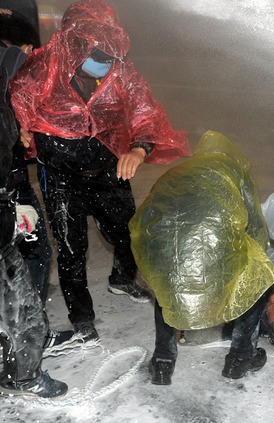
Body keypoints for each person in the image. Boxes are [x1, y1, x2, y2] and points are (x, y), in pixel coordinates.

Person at [9, 0, 191, 342]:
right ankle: (82, 318)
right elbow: (18, 102)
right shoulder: (44, 65)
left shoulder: (121, 69)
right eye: (98, 55)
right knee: (70, 248)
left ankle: (121, 279)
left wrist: (139, 148)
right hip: (59, 174)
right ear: (76, 45)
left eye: (109, 56)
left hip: (107, 165)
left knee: (127, 233)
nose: (103, 64)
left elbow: (145, 112)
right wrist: (18, 127)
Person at [129, 131, 274, 385]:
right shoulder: (236, 172)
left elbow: (150, 211)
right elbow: (255, 228)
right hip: (207, 237)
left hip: (161, 238)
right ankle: (242, 356)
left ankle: (163, 360)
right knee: (254, 281)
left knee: (168, 288)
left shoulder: (184, 170)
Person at [0, 55, 67, 398]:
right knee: (21, 301)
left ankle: (22, 353)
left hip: (8, 198)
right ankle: (22, 372)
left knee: (30, 276)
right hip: (5, 209)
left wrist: (13, 131)